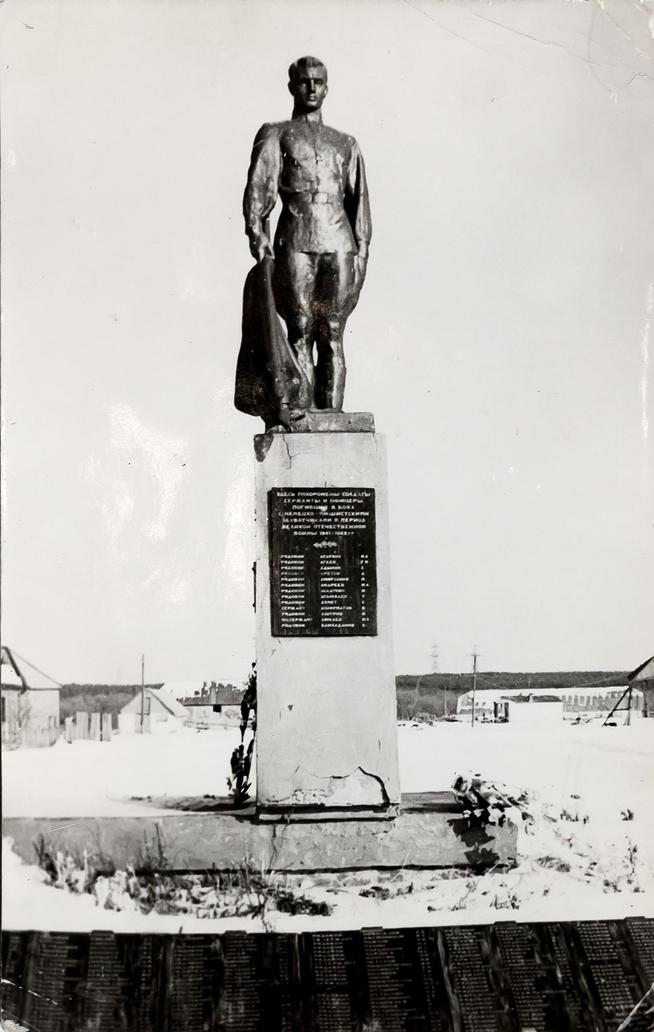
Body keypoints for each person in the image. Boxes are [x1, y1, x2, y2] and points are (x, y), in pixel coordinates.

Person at [242, 55, 371, 414]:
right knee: (300, 329)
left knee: (332, 333)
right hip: (296, 241)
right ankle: (302, 412)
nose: (311, 88)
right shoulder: (277, 133)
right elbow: (259, 191)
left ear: (327, 88)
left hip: (339, 243)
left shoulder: (346, 143)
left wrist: (361, 255)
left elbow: (359, 204)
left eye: (318, 81)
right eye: (304, 81)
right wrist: (259, 239)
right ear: (292, 87)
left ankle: (331, 416)